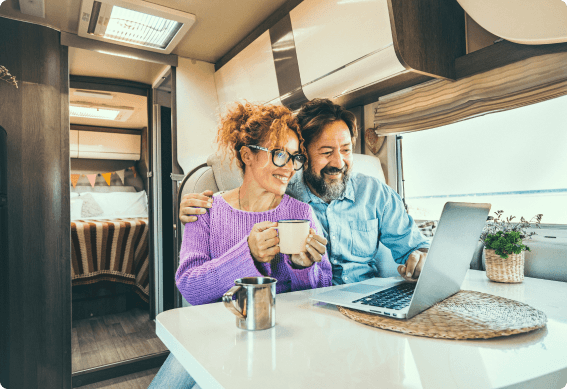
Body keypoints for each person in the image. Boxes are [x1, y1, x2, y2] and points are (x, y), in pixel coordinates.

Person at [149, 102, 332, 388]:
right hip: (215, 330)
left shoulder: (302, 214)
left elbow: (320, 297)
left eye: (294, 157)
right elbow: (190, 287)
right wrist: (247, 253)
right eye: (279, 154)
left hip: (282, 334)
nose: (289, 169)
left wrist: (301, 267)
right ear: (247, 155)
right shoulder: (206, 210)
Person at [180, 98, 430, 285]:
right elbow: (251, 194)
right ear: (307, 156)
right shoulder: (284, 196)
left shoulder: (372, 193)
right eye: (325, 152)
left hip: (363, 299)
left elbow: (416, 248)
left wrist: (421, 258)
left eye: (345, 150)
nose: (339, 162)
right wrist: (201, 203)